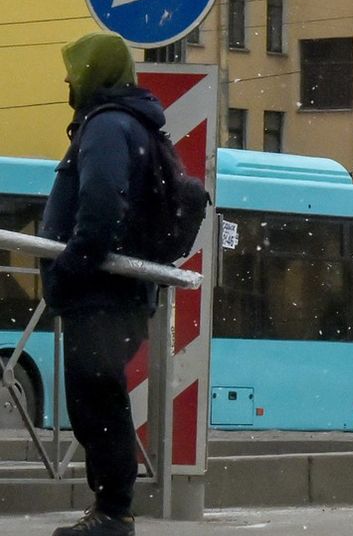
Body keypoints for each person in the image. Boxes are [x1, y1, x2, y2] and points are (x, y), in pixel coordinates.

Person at [40, 33, 165, 536]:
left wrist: (70, 269)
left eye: (74, 68)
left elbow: (99, 208)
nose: (67, 79)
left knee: (98, 401)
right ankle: (110, 510)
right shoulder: (122, 123)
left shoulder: (108, 127)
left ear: (95, 72)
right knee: (97, 399)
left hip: (101, 294)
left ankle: (114, 513)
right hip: (110, 293)